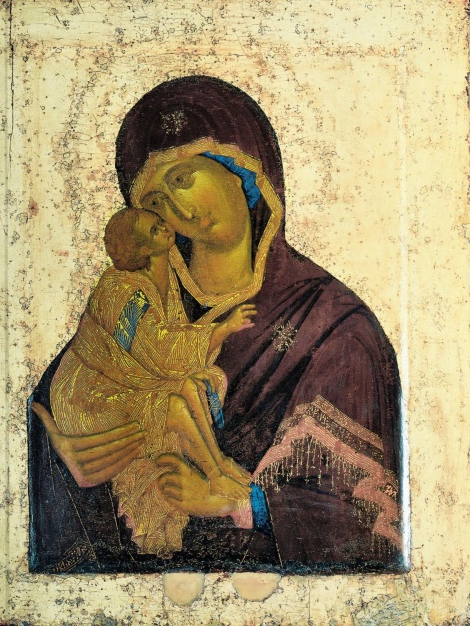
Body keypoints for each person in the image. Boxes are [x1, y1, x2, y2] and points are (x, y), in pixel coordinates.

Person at [29, 76, 404, 574]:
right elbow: (58, 411)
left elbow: (372, 530)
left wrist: (240, 502)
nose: (175, 209)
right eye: (155, 200)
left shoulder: (336, 327)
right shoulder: (139, 313)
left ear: (244, 171)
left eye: (183, 178)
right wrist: (62, 458)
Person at [49, 206, 253, 556]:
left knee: (189, 387)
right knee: (172, 407)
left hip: (130, 377)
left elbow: (168, 340)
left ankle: (218, 465)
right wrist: (221, 331)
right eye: (154, 229)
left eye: (159, 222)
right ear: (141, 248)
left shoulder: (164, 271)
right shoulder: (119, 292)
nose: (164, 227)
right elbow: (156, 348)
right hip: (89, 395)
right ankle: (216, 474)